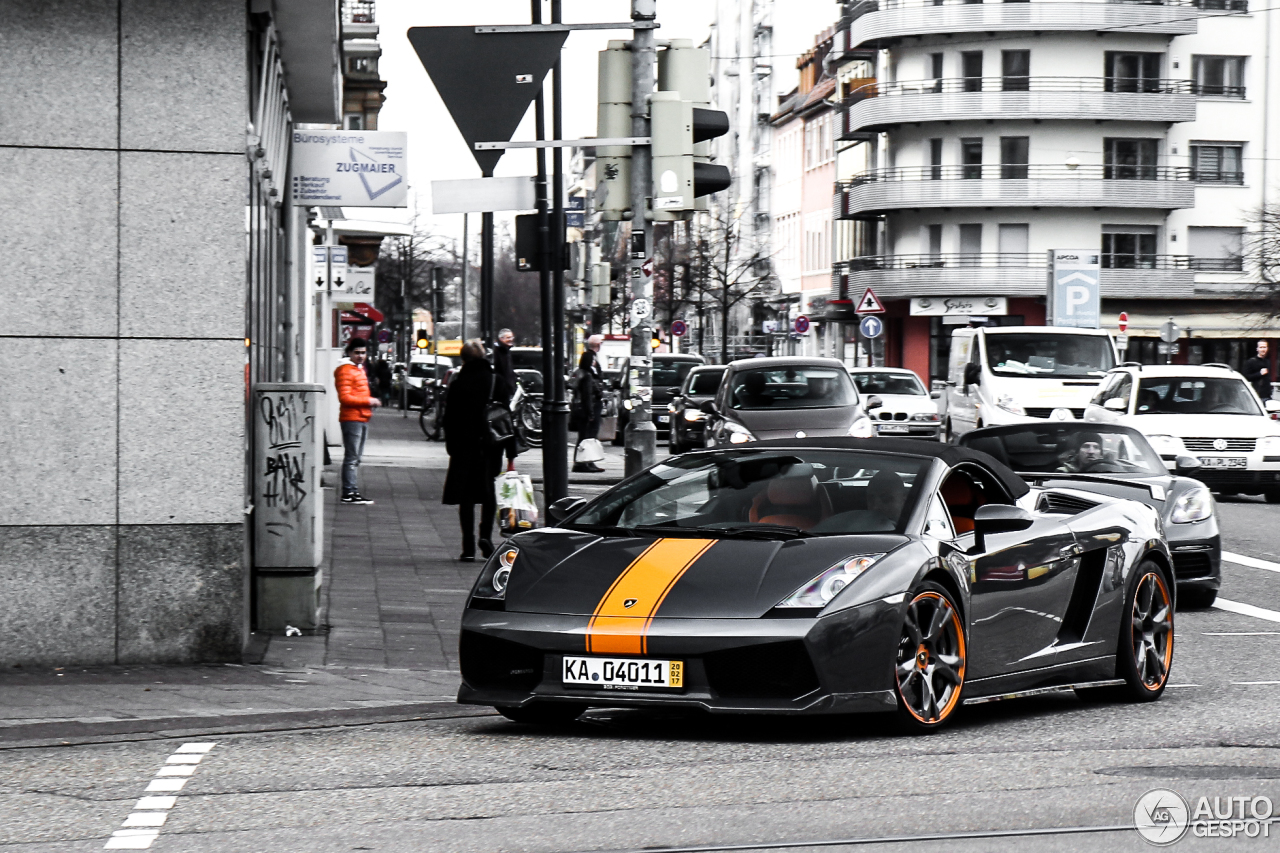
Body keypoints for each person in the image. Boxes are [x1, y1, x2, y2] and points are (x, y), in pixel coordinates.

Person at [442, 340, 505, 561]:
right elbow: (506, 416)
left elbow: (448, 418)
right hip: (489, 446)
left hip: (463, 446)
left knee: (466, 496)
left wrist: (452, 446)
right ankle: (485, 536)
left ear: (463, 359)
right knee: (488, 494)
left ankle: (467, 546)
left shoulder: (458, 383)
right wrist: (511, 451)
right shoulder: (494, 381)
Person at [335, 337, 382, 505]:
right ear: (349, 353)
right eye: (357, 353)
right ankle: (348, 493)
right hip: (352, 418)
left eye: (363, 352)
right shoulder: (346, 371)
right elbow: (345, 398)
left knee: (355, 458)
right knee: (352, 457)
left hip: (360, 417)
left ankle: (352, 491)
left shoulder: (357, 370)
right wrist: (368, 401)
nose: (361, 356)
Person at [573, 334, 606, 473]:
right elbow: (588, 395)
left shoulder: (583, 375)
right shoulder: (588, 377)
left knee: (587, 435)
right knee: (588, 435)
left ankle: (586, 461)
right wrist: (591, 412)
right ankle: (582, 462)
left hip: (588, 406)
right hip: (590, 407)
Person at [492, 328, 521, 462]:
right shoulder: (500, 353)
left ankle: (510, 461)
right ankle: (510, 461)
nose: (511, 340)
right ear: (501, 339)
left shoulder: (504, 352)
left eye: (511, 337)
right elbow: (502, 373)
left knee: (508, 428)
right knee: (508, 428)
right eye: (508, 338)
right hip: (503, 396)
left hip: (506, 394)